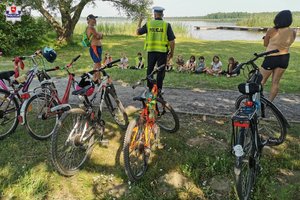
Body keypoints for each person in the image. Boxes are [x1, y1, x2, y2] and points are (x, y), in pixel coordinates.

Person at [137, 6, 176, 92]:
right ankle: (159, 89)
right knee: (160, 71)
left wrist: (140, 21)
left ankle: (150, 88)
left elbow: (138, 32)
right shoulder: (166, 25)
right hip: (162, 52)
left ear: (154, 14)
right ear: (162, 15)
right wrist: (172, 53)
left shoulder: (149, 24)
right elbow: (172, 41)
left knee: (150, 69)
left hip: (151, 51)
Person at [261, 10, 296, 101]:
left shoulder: (272, 30)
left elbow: (265, 44)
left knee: (261, 81)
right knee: (275, 82)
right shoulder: (293, 32)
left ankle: (256, 101)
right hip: (284, 58)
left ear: (277, 19)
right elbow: (288, 43)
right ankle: (269, 103)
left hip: (271, 57)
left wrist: (266, 38)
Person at [86, 14, 103, 82]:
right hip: (95, 47)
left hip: (96, 47)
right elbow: (98, 36)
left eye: (95, 19)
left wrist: (99, 34)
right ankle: (94, 78)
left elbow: (98, 36)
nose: (95, 20)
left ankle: (98, 78)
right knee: (97, 63)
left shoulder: (91, 28)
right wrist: (101, 34)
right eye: (93, 19)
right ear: (89, 20)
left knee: (98, 63)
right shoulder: (91, 28)